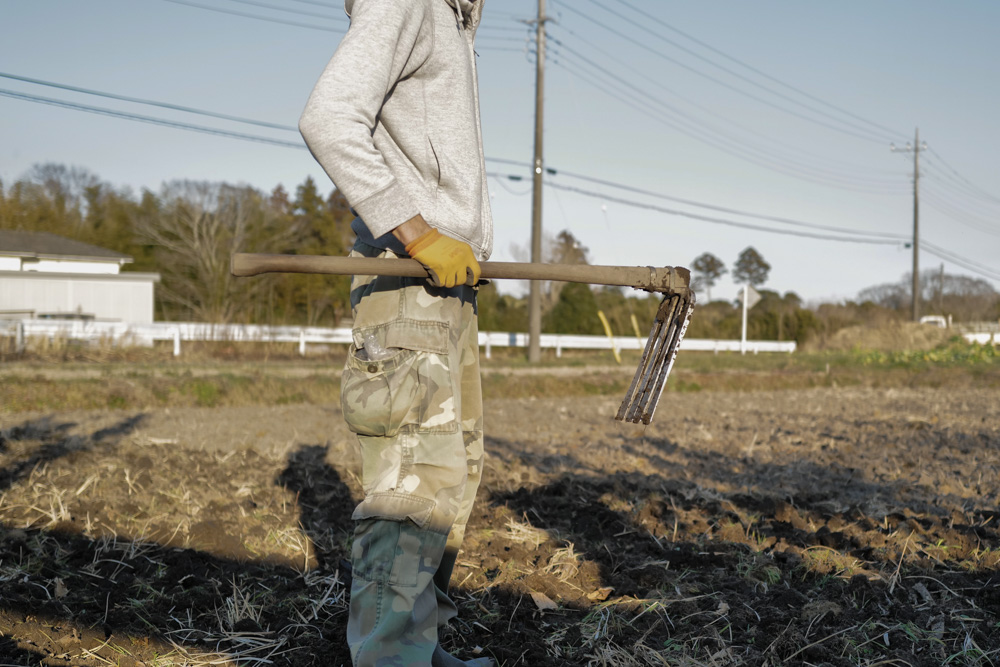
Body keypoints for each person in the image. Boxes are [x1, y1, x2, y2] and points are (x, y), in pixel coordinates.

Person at [298, 0, 494, 665]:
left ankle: (417, 649)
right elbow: (327, 117)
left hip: (448, 292)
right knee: (413, 487)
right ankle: (389, 657)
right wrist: (419, 232)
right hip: (407, 284)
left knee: (450, 481)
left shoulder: (457, 22)